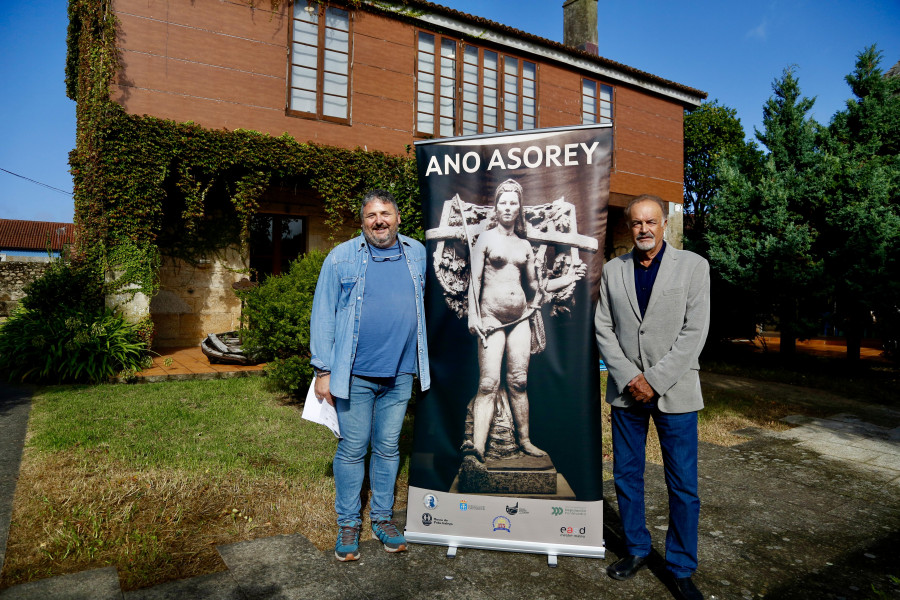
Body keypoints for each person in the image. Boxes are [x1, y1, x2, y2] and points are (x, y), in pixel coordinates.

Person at [594, 194, 710, 600]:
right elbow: (603, 329)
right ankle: (637, 549)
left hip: (675, 392)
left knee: (682, 484)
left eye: (651, 222)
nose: (644, 229)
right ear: (630, 227)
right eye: (637, 223)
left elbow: (694, 333)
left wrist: (654, 380)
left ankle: (680, 566)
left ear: (664, 224)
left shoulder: (694, 267)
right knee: (627, 476)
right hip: (627, 395)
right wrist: (629, 377)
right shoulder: (613, 270)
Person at [310, 189, 430, 562]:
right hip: (355, 373)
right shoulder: (341, 257)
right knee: (352, 447)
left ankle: (381, 517)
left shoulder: (417, 253)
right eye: (371, 216)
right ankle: (348, 522)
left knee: (388, 447)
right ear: (362, 222)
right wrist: (323, 369)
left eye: (386, 214)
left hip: (400, 371)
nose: (379, 221)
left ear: (398, 218)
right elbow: (323, 313)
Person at [466, 179, 584, 462]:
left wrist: (567, 278)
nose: (508, 207)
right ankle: (477, 448)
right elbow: (475, 281)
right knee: (488, 383)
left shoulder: (524, 246)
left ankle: (525, 441)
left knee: (518, 381)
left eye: (512, 203)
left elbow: (535, 287)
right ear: (496, 207)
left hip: (520, 319)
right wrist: (473, 315)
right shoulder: (486, 239)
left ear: (519, 207)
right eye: (503, 202)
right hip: (491, 319)